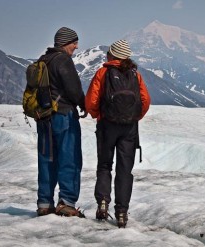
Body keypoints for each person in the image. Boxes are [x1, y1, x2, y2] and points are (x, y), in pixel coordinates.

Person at [85, 40, 151, 227]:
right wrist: (135, 116)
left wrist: (99, 115)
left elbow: (91, 100)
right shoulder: (134, 74)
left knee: (105, 165)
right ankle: (122, 212)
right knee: (124, 170)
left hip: (107, 125)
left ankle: (103, 203)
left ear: (112, 55)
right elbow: (145, 100)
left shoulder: (103, 72)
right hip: (129, 128)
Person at [36, 27, 87, 218]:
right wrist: (83, 104)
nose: (76, 46)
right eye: (74, 42)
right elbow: (73, 89)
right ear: (65, 43)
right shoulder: (63, 60)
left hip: (44, 117)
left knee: (47, 159)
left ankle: (44, 203)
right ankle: (66, 203)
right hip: (63, 115)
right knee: (70, 158)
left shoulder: (44, 60)